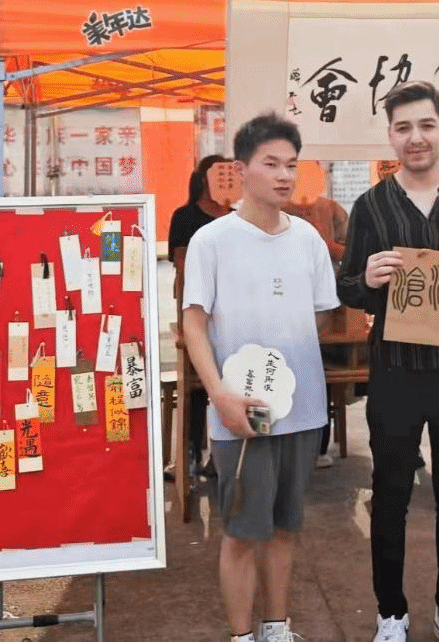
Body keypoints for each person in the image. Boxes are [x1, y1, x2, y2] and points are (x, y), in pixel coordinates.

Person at [337, 81, 439, 642]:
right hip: (396, 370)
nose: (416, 137)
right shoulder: (371, 205)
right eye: (404, 127)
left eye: (426, 125)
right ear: (390, 136)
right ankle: (391, 612)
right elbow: (348, 286)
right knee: (390, 494)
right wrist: (369, 279)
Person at [182, 113, 340, 642]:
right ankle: (241, 634)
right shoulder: (212, 240)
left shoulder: (308, 239)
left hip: (301, 408)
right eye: (271, 164)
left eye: (291, 165)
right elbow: (194, 323)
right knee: (243, 530)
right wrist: (220, 395)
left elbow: (320, 315)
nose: (284, 175)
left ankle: (276, 627)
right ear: (241, 168)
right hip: (240, 409)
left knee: (286, 524)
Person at [168, 154, 232, 476]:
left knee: (231, 381)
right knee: (195, 386)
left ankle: (222, 457)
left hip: (234, 316)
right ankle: (191, 455)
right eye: (222, 174)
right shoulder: (184, 216)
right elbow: (182, 266)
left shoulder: (239, 218)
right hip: (198, 312)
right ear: (205, 179)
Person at [284, 177, 349, 469]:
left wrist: (329, 247)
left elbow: (351, 252)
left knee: (318, 373)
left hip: (326, 305)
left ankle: (319, 444)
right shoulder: (275, 208)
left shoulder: (331, 208)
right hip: (285, 306)